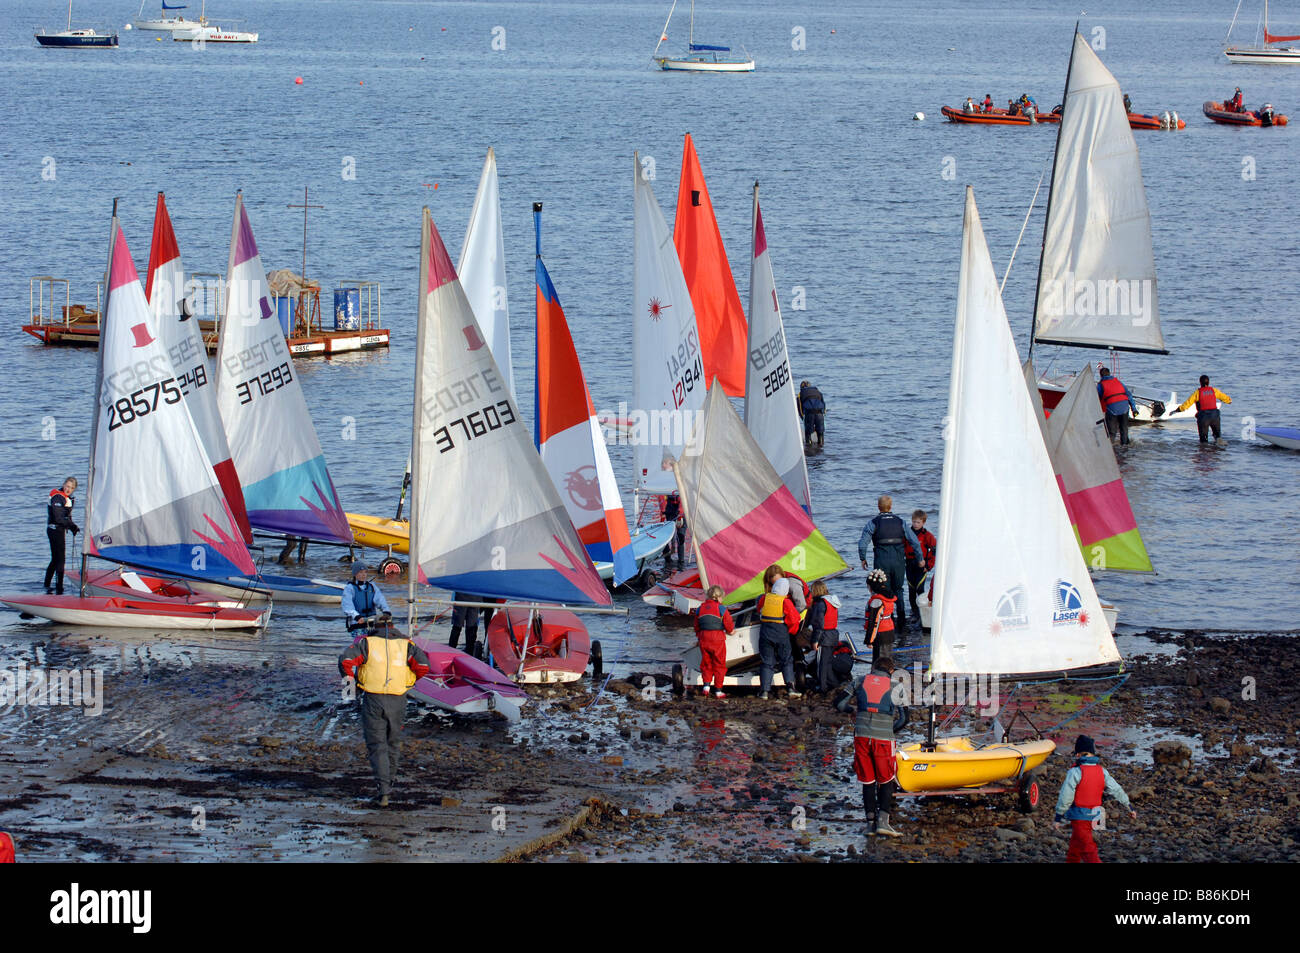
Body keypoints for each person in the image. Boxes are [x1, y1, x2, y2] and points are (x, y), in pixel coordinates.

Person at [338, 617, 431, 807]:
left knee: (377, 744)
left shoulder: (367, 643)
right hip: (399, 699)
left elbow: (345, 661)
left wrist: (350, 684)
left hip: (373, 699)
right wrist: (410, 681)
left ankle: (383, 792)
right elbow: (423, 666)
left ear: (375, 628)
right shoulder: (407, 644)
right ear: (393, 627)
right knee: (393, 743)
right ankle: (389, 784)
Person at [836, 655, 905, 837]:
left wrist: (852, 710)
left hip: (861, 737)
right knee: (887, 779)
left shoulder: (859, 680)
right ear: (891, 671)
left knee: (868, 781)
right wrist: (890, 731)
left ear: (873, 668)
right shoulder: (896, 687)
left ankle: (869, 824)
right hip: (884, 739)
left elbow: (839, 703)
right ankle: (883, 822)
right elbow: (905, 719)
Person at [1054, 735, 1136, 863]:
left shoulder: (1075, 772)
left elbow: (1066, 796)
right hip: (1096, 815)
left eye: (1077, 753)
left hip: (1080, 816)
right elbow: (1116, 789)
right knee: (1075, 847)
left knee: (1088, 850)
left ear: (1079, 754)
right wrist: (1129, 806)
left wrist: (1058, 816)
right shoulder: (1102, 771)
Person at [858, 495, 924, 635]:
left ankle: (888, 621)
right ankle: (902, 622)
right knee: (898, 590)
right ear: (891, 506)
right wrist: (920, 558)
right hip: (899, 561)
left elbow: (863, 542)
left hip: (881, 561)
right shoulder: (900, 522)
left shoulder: (873, 522)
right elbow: (914, 542)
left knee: (883, 590)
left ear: (878, 506)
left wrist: (862, 557)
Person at [757, 576, 802, 701]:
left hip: (765, 633)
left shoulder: (764, 598)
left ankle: (764, 692)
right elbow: (794, 619)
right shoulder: (785, 602)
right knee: (786, 660)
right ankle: (791, 689)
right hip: (781, 634)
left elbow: (758, 608)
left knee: (767, 662)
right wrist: (791, 632)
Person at [694, 585, 735, 698]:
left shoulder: (699, 609)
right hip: (717, 639)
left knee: (706, 663)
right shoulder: (721, 609)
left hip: (704, 638)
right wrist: (731, 631)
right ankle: (718, 690)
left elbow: (696, 626)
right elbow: (728, 623)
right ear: (719, 597)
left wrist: (699, 636)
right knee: (719, 664)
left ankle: (706, 687)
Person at [803, 580, 843, 693]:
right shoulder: (832, 602)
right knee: (827, 662)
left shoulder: (820, 604)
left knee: (821, 664)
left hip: (824, 637)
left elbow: (818, 624)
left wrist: (815, 640)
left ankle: (822, 687)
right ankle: (834, 684)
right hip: (833, 635)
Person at [44, 477, 79, 595]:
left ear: (74, 489)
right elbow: (58, 518)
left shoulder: (68, 498)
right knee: (60, 560)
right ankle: (59, 589)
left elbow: (67, 517)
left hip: (59, 530)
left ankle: (47, 586)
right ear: (63, 484)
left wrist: (72, 527)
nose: (68, 489)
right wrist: (72, 525)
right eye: (67, 486)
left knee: (55, 559)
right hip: (54, 530)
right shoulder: (57, 497)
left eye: (71, 488)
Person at [1175, 375, 1232, 444]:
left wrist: (1178, 410)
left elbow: (1187, 404)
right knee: (1218, 437)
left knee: (1204, 440)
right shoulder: (1214, 390)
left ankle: (1204, 452)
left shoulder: (1197, 393)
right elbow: (1226, 398)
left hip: (1204, 417)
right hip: (1215, 416)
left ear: (1200, 383)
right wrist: (1229, 401)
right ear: (1208, 382)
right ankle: (1219, 451)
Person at [903, 510, 936, 622]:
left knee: (920, 589)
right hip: (909, 565)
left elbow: (934, 550)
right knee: (911, 589)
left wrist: (928, 565)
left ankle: (923, 614)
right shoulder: (907, 533)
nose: (915, 524)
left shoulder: (927, 535)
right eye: (914, 522)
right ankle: (914, 613)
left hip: (921, 565)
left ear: (923, 523)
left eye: (918, 522)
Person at [342, 561, 391, 633]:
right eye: (361, 572)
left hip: (372, 623)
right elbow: (347, 605)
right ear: (355, 574)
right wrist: (356, 616)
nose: (363, 575)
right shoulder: (349, 588)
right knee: (362, 642)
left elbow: (380, 599)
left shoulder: (372, 586)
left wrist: (386, 611)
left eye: (365, 572)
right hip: (357, 623)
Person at [863, 569, 898, 667]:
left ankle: (879, 678)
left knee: (879, 660)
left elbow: (874, 622)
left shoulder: (877, 601)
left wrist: (869, 640)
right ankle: (887, 677)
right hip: (889, 632)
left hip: (880, 634)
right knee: (887, 658)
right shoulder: (888, 598)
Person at [1096, 367, 1138, 446]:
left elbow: (1097, 398)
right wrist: (1134, 409)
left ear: (1101, 375)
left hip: (1112, 409)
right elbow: (1129, 395)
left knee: (1112, 432)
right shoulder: (1119, 382)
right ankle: (1125, 449)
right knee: (1124, 430)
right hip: (1125, 408)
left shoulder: (1100, 385)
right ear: (1109, 373)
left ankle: (1109, 451)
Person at [797, 381, 826, 447]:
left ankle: (809, 448)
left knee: (808, 433)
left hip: (809, 414)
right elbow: (823, 404)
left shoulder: (800, 393)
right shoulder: (818, 391)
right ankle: (821, 448)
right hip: (820, 414)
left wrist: (802, 417)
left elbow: (799, 407)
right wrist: (823, 414)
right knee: (820, 432)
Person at [662, 491, 686, 566]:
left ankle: (681, 561)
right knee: (665, 536)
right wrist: (662, 512)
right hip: (670, 509)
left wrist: (681, 512)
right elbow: (661, 497)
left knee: (681, 536)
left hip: (683, 508)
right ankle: (668, 560)